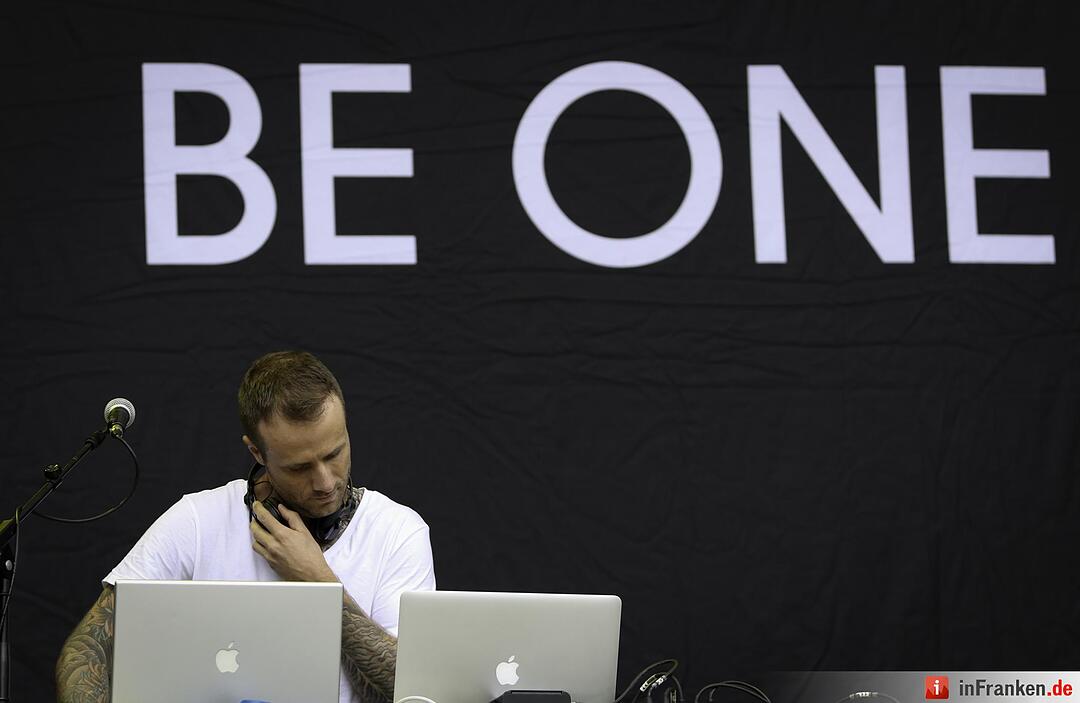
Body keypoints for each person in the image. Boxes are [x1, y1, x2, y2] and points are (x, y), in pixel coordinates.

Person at [54, 351, 436, 703]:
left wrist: (319, 583)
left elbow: (407, 687)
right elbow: (86, 649)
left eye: (334, 454)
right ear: (257, 452)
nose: (324, 481)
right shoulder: (198, 520)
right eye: (299, 467)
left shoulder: (398, 531)